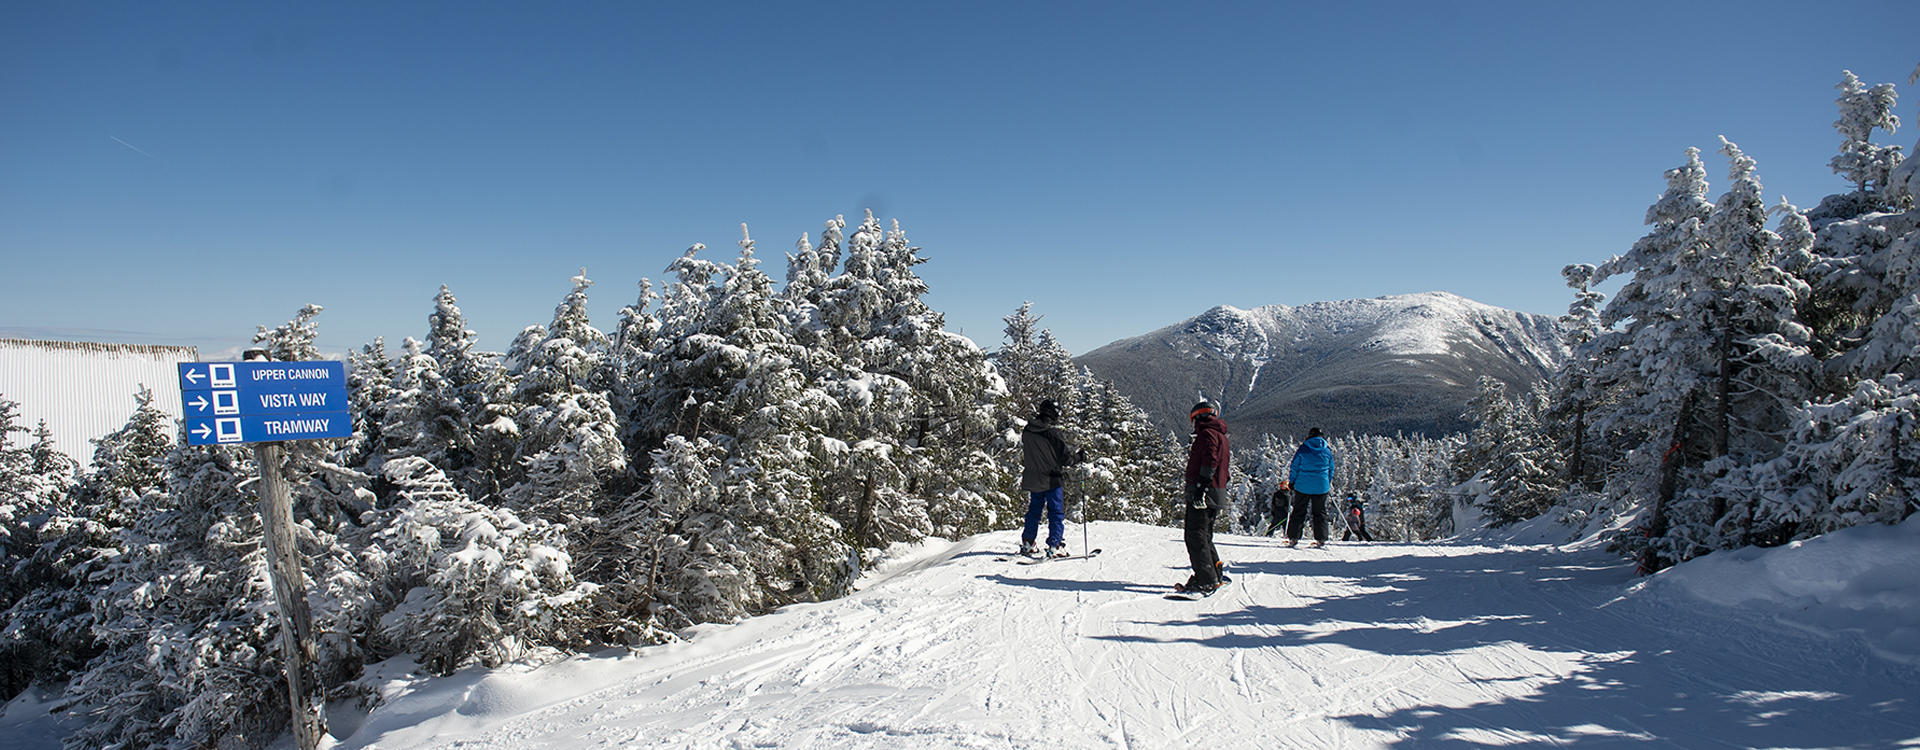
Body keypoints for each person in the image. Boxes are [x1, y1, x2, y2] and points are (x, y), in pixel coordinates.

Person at [1178, 400, 1230, 593]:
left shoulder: (1206, 435)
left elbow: (1210, 460)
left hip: (1204, 492)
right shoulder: (1221, 436)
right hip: (1217, 491)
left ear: (1198, 417)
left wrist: (1200, 487)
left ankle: (1205, 579)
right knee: (1205, 535)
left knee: (1195, 535)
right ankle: (1214, 573)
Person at [1020, 399, 1081, 557]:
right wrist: (1079, 457)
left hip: (1033, 477)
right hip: (1051, 478)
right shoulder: (1053, 433)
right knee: (1055, 512)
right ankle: (1055, 545)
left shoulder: (1028, 430)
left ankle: (1028, 543)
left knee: (1034, 510)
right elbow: (1065, 459)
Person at [1285, 427, 1337, 548]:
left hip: (1303, 486)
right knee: (1320, 512)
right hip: (1321, 487)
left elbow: (1294, 467)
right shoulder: (1327, 451)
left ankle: (1293, 537)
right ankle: (1321, 538)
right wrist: (1327, 483)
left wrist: (1292, 482)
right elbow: (1331, 469)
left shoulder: (1303, 449)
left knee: (1299, 511)